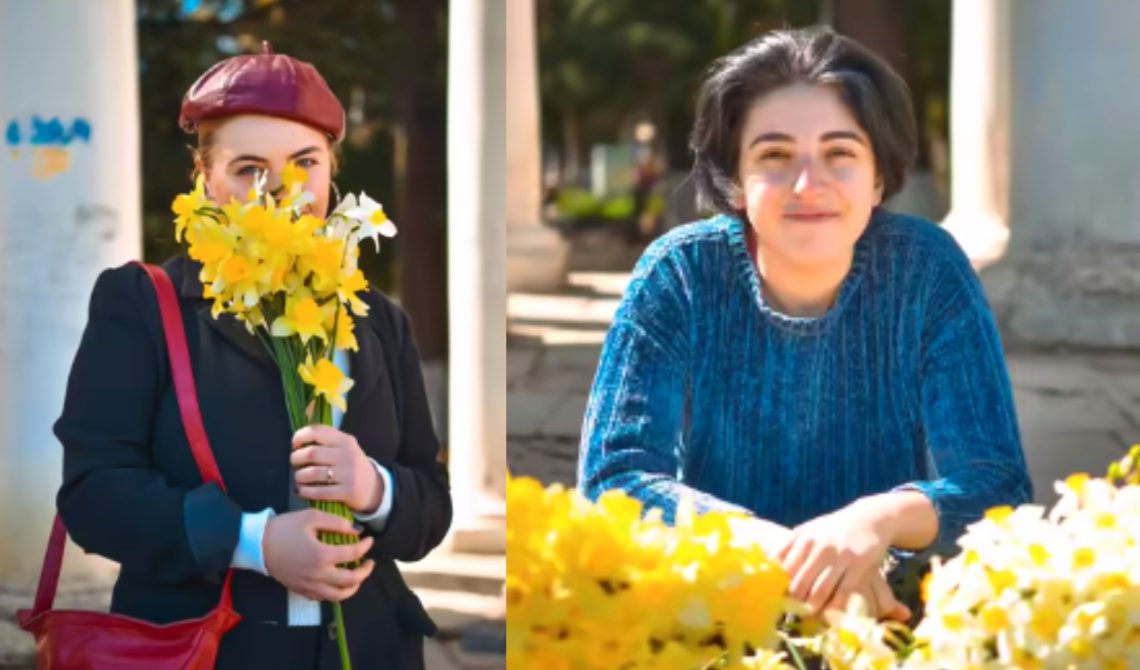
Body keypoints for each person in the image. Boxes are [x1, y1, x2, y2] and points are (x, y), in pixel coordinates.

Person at [577, 26, 1032, 623]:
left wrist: (873, 521)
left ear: (876, 177)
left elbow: (996, 487)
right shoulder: (680, 273)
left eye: (840, 153)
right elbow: (615, 480)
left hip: (887, 607)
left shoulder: (927, 270)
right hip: (714, 605)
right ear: (735, 182)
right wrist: (792, 557)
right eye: (774, 155)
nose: (807, 184)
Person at [53, 43, 451, 669]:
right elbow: (94, 497)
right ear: (204, 178)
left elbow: (431, 505)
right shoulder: (141, 306)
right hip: (204, 652)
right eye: (248, 169)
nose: (282, 192)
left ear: (331, 172)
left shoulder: (377, 319)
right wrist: (255, 542)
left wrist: (376, 488)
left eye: (304, 163)